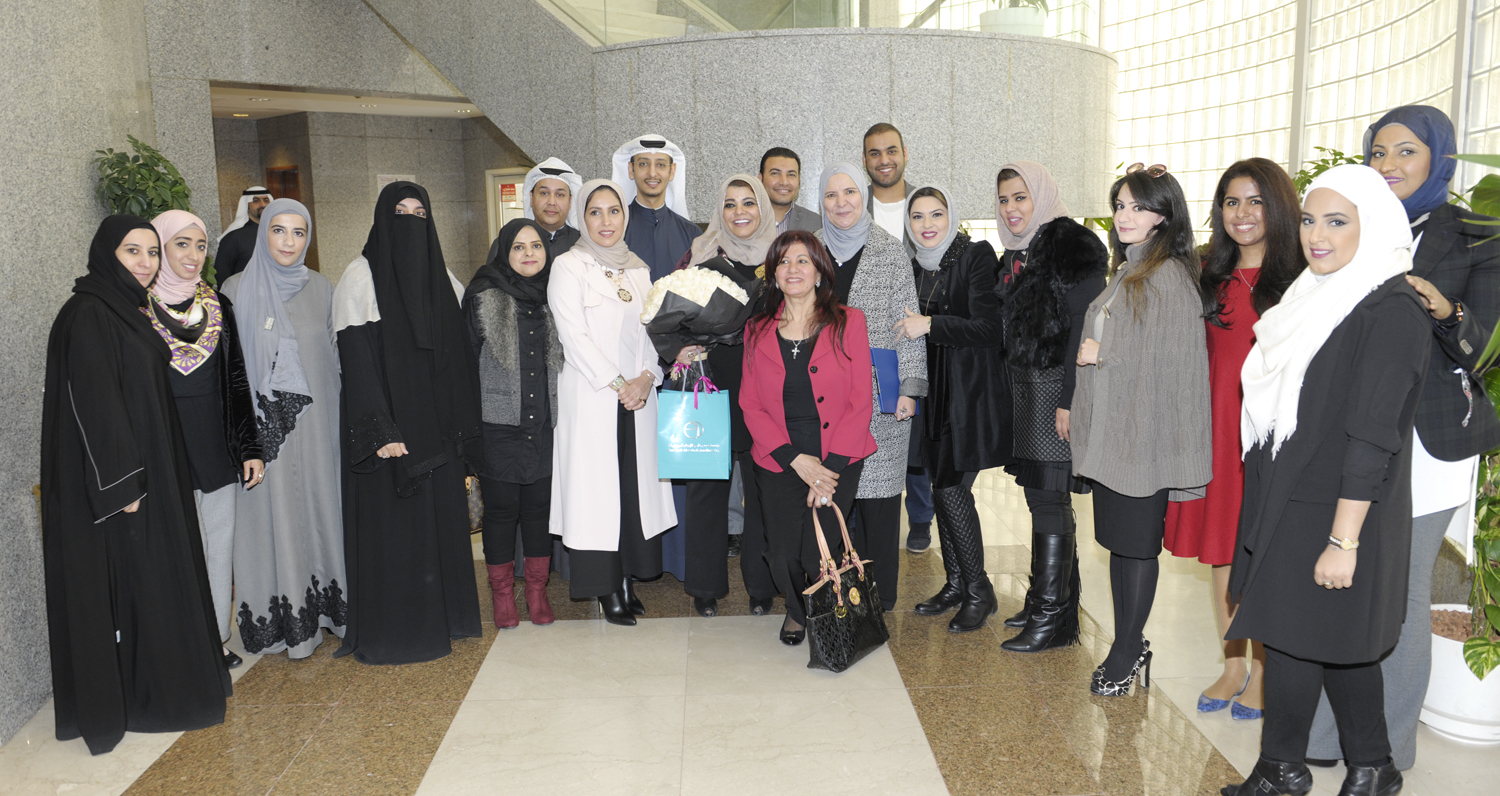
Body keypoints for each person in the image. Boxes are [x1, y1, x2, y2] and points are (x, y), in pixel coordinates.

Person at [1221, 164, 1430, 796]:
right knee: (1323, 637)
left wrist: (1344, 540)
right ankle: (1369, 766)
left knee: (1297, 635)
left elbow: (1372, 435)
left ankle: (1284, 767)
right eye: (1310, 220)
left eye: (1337, 222)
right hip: (1292, 492)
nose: (1316, 235)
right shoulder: (1313, 294)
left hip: (1341, 505)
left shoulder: (1391, 309)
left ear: (1374, 226)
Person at [1305, 104, 1500, 772]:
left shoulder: (1474, 235)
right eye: (1378, 152)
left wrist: (1448, 311)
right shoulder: (1351, 222)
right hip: (1351, 430)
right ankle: (1323, 739)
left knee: (1403, 593)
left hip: (1428, 441)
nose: (1388, 165)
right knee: (1339, 583)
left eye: (1406, 151)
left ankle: (1385, 747)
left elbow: (1487, 349)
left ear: (1439, 157)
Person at [41, 216, 230, 755]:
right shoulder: (88, 313)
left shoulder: (123, 308)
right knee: (135, 589)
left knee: (155, 586)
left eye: (152, 252)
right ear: (108, 253)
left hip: (152, 471)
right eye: (133, 251)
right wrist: (124, 487)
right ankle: (144, 699)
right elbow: (95, 405)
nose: (146, 263)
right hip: (124, 488)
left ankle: (164, 689)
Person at [1163, 158, 1302, 718]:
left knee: (1264, 553)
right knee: (1223, 549)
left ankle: (1265, 668)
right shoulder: (1204, 274)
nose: (1242, 213)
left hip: (1271, 434)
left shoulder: (1301, 278)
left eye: (1255, 201)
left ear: (1278, 207)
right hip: (1215, 428)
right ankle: (1233, 664)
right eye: (1231, 202)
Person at [1071, 165, 1211, 696]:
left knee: (1136, 546)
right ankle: (1129, 640)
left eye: (1138, 207)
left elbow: (1173, 363)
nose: (1124, 216)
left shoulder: (1168, 275)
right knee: (1121, 544)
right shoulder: (1132, 266)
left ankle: (1128, 650)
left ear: (1164, 216)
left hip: (1142, 438)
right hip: (1118, 435)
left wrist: (1103, 353)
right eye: (1120, 206)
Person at [331, 182, 483, 664]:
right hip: (392, 435)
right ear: (382, 218)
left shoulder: (445, 278)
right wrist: (382, 431)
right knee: (397, 535)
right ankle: (399, 631)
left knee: (440, 527)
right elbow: (355, 361)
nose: (411, 222)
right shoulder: (360, 277)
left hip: (438, 432)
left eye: (420, 214)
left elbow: (462, 358)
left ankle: (449, 619)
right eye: (400, 212)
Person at [988, 162, 1108, 652]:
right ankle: (1048, 600)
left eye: (1021, 197)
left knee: (1049, 498)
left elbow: (1084, 324)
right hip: (1027, 392)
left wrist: (1070, 401)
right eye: (1004, 200)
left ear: (1041, 195)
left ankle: (1052, 617)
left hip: (1056, 388)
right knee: (1041, 495)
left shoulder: (1071, 243)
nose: (1011, 209)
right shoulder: (1018, 251)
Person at [221, 199, 347, 660]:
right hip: (264, 436)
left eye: (298, 232)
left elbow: (336, 359)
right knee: (269, 519)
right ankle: (281, 622)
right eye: (279, 230)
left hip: (318, 428)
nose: (289, 241)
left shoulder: (323, 288)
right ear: (262, 234)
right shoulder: (234, 290)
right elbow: (229, 370)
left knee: (320, 508)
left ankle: (330, 611)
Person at [550, 179, 676, 625]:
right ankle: (604, 588)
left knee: (631, 491)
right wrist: (620, 383)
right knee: (597, 494)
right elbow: (574, 337)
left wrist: (647, 378)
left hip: (636, 399)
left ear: (625, 216)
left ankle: (626, 578)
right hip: (593, 397)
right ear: (582, 218)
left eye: (614, 211)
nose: (606, 221)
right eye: (595, 212)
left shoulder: (638, 270)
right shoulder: (568, 266)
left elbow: (652, 333)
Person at [740, 231, 877, 644]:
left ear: (819, 271)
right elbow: (751, 404)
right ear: (773, 274)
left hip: (837, 455)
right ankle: (798, 611)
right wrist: (795, 459)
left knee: (815, 550)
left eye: (803, 260)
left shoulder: (849, 321)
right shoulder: (757, 329)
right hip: (779, 455)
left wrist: (828, 471)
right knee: (781, 554)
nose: (793, 269)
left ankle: (820, 615)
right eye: (783, 262)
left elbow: (860, 400)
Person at [148, 210, 265, 669]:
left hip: (215, 444)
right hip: (165, 445)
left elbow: (236, 381)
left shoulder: (218, 305)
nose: (194, 255)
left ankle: (215, 639)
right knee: (177, 547)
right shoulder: (136, 309)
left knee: (218, 546)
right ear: (160, 247)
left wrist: (249, 447)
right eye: (182, 244)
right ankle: (180, 642)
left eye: (201, 246)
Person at [894, 185, 1011, 632]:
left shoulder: (975, 255)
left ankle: (979, 590)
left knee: (951, 488)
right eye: (918, 217)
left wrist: (930, 323)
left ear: (951, 217)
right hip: (934, 395)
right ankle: (957, 581)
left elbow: (989, 328)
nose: (927, 225)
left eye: (936, 215)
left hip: (969, 397)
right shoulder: (915, 267)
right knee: (941, 487)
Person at [816, 162, 926, 612]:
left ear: (863, 197)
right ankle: (834, 595)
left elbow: (908, 324)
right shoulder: (810, 250)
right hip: (823, 398)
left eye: (850, 193)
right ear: (820, 201)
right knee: (831, 499)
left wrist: (910, 389)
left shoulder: (890, 251)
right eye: (831, 194)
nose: (841, 202)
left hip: (880, 394)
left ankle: (878, 599)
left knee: (879, 501)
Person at [672, 175, 779, 617]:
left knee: (763, 491)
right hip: (711, 386)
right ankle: (704, 586)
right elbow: (669, 317)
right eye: (730, 203)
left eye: (749, 202)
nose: (739, 212)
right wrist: (678, 347)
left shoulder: (782, 257)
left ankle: (761, 585)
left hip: (765, 391)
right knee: (706, 492)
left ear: (763, 208)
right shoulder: (699, 256)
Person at [465, 218, 561, 629]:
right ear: (505, 252)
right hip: (499, 425)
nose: (528, 254)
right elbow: (465, 364)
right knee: (502, 512)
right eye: (518, 247)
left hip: (546, 424)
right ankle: (503, 596)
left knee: (539, 511)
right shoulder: (482, 295)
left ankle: (537, 592)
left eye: (535, 246)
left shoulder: (557, 294)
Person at [860, 123, 934, 553]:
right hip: (873, 338)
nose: (884, 160)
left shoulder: (925, 204)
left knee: (914, 430)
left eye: (891, 150)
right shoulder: (855, 205)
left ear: (905, 153)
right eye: (874, 153)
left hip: (918, 329)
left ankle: (920, 517)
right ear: (865, 160)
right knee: (879, 431)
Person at [611, 134, 701, 282]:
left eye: (660, 165)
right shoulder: (614, 229)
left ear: (672, 171)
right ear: (631, 170)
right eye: (643, 164)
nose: (652, 173)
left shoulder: (691, 233)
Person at [486, 158, 583, 263]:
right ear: (531, 198)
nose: (552, 202)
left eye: (560, 195)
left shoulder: (584, 244)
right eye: (544, 193)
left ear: (570, 201)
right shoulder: (507, 243)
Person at [215, 185, 272, 281]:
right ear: (247, 206)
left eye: (266, 200)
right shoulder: (233, 238)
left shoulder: (280, 234)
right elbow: (222, 276)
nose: (262, 204)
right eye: (256, 200)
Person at [760, 147, 822, 233]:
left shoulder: (817, 224)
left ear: (799, 180)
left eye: (791, 175)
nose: (784, 182)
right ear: (760, 178)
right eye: (775, 173)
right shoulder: (744, 219)